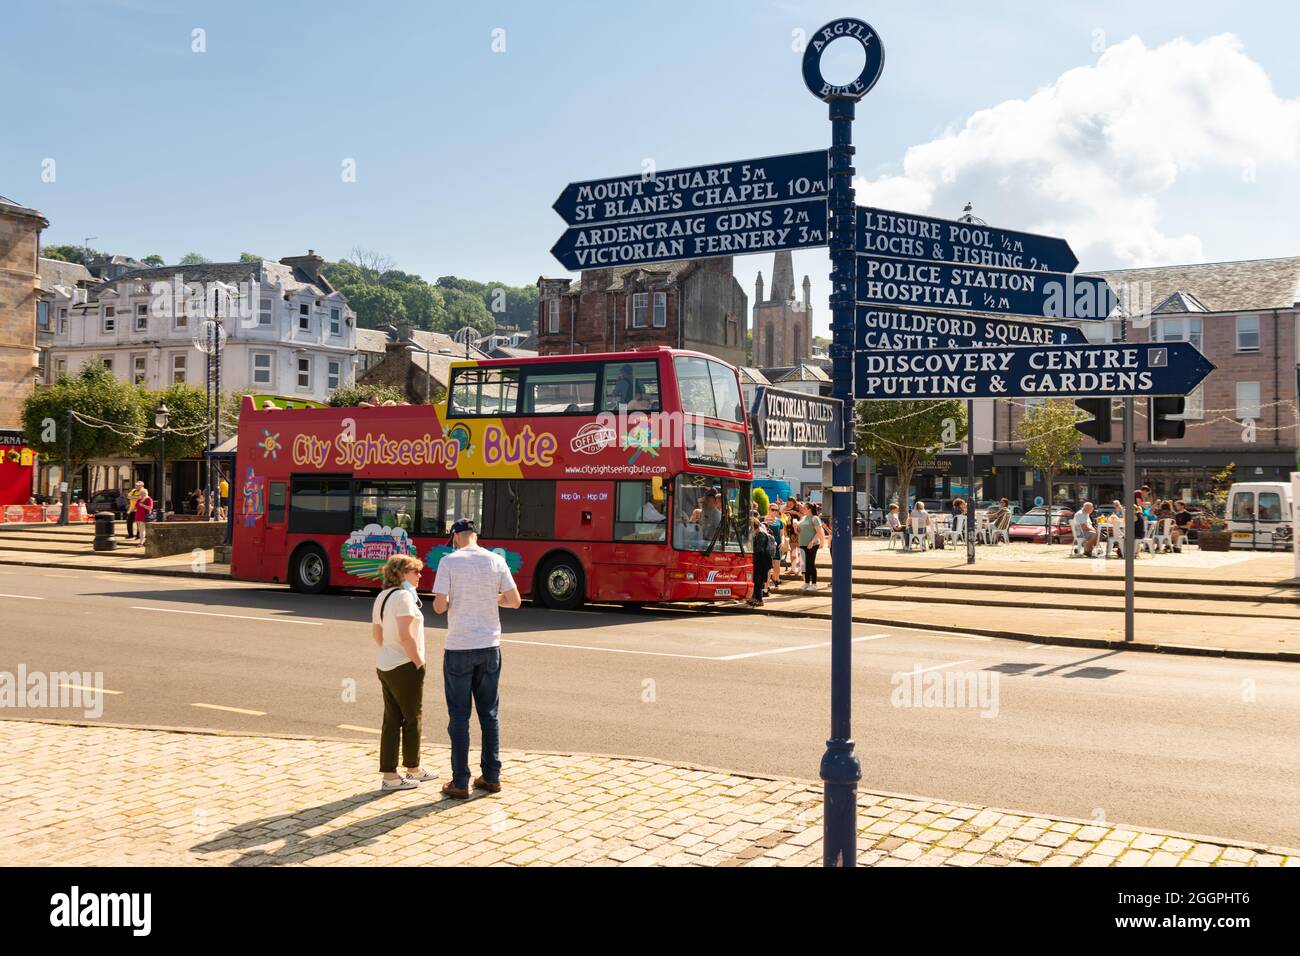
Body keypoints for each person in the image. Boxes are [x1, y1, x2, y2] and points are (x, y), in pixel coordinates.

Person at [432, 518, 522, 799]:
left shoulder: (449, 562)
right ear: (475, 535)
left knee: (459, 716)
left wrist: (451, 600)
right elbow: (515, 600)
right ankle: (492, 776)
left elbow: (439, 606)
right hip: (489, 647)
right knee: (489, 714)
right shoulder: (495, 560)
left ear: (456, 537)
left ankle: (460, 781)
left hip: (459, 647)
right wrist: (491, 598)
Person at [372, 554, 434, 792]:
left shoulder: (382, 597)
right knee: (412, 718)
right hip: (405, 665)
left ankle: (391, 774)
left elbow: (377, 634)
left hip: (385, 663)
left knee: (391, 720)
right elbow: (407, 635)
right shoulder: (405, 598)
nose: (420, 575)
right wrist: (418, 662)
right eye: (415, 571)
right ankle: (412, 769)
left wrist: (390, 650)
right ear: (401, 574)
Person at [797, 502, 826, 593]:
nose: (803, 509)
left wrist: (812, 542)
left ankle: (814, 584)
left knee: (810, 563)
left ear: (809, 509)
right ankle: (806, 582)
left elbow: (819, 532)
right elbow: (799, 532)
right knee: (803, 565)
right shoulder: (803, 518)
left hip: (811, 544)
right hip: (802, 543)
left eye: (804, 508)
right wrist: (795, 527)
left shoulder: (815, 518)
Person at [747, 517, 772, 607]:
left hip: (761, 560)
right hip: (759, 559)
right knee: (755, 580)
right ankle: (754, 598)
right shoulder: (757, 534)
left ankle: (760, 600)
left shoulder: (760, 534)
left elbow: (759, 549)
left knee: (758, 580)